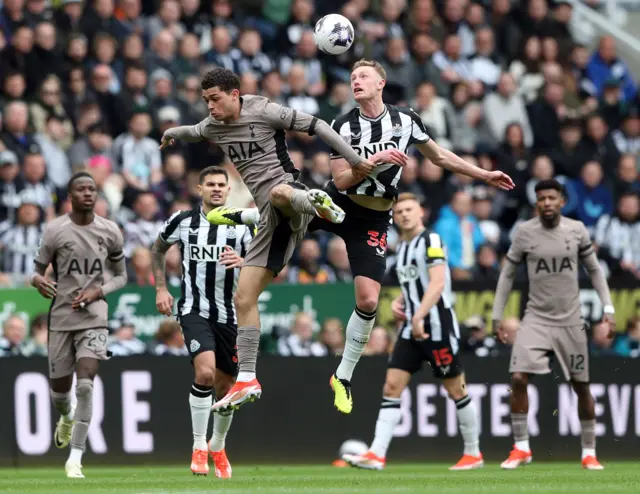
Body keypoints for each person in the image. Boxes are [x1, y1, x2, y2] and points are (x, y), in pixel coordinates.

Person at [209, 60, 515, 415]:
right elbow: (340, 180)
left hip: (373, 217)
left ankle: (342, 376)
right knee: (285, 214)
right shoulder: (343, 125)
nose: (356, 81)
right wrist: (375, 159)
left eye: (363, 76)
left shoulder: (406, 120)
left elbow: (440, 156)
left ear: (381, 83)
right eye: (352, 77)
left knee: (369, 300)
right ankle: (249, 216)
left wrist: (483, 175)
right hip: (336, 203)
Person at [159, 68, 402, 412]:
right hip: (271, 223)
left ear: (234, 94)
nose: (210, 107)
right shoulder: (213, 125)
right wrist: (171, 133)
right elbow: (194, 132)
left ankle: (316, 202)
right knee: (243, 297)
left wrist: (354, 160)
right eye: (206, 101)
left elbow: (317, 125)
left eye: (215, 99)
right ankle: (247, 377)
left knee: (278, 192)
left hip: (290, 193)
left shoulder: (264, 110)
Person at [342, 193, 482, 471]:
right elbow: (414, 287)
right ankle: (376, 454)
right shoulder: (403, 248)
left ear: (421, 213)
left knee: (456, 389)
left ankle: (473, 453)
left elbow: (438, 283)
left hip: (436, 326)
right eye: (400, 211)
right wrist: (401, 304)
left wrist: (418, 315)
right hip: (411, 327)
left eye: (409, 209)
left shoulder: (430, 240)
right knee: (391, 387)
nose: (404, 214)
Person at [492, 179, 615, 471]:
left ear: (561, 201)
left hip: (571, 321)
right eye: (541, 199)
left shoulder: (576, 230)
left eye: (551, 198)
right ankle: (521, 447)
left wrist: (608, 309)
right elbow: (507, 275)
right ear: (536, 203)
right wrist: (497, 316)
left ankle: (589, 451)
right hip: (535, 318)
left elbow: (595, 270)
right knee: (519, 378)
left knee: (581, 387)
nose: (546, 203)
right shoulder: (524, 233)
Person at [151, 165, 252, 477]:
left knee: (228, 388)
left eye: (222, 184)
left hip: (231, 316)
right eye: (211, 184)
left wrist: (245, 262)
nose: (217, 189)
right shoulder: (183, 221)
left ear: (228, 189)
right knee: (205, 373)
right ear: (200, 189)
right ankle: (198, 447)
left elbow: (269, 268)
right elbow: (157, 248)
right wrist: (161, 287)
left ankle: (217, 445)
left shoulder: (243, 226)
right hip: (195, 310)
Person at [30, 172, 127, 478]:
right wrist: (40, 282)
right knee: (60, 394)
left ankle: (75, 458)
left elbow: (122, 276)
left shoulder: (110, 230)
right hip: (60, 318)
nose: (88, 193)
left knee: (85, 384)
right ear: (70, 196)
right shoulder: (54, 229)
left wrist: (99, 291)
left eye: (92, 189)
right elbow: (35, 272)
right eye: (81, 189)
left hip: (94, 316)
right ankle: (66, 416)